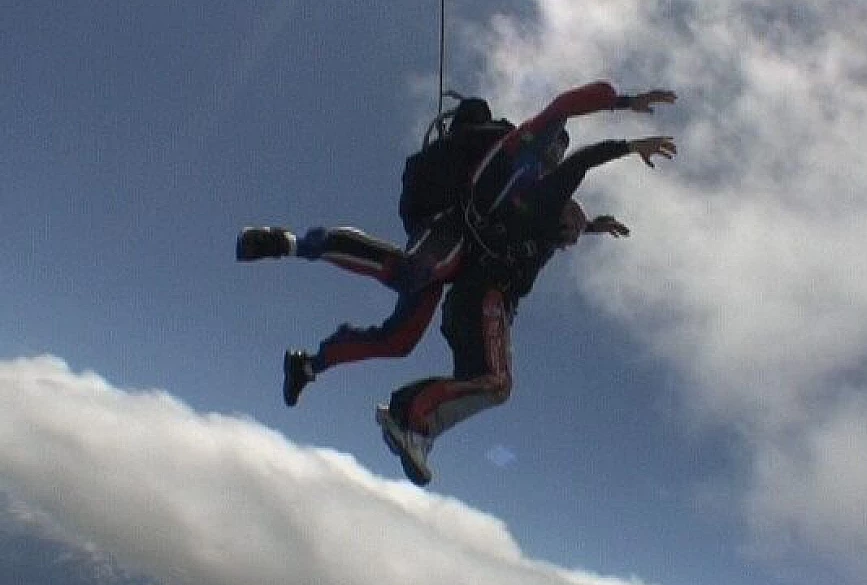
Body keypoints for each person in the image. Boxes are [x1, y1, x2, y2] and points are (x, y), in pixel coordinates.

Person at [237, 81, 676, 410]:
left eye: (558, 152)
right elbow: (564, 107)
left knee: (401, 339)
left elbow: (540, 217)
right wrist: (624, 104)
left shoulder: (514, 171)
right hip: (449, 229)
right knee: (419, 270)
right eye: (555, 147)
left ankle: (309, 365)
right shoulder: (511, 145)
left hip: (451, 242)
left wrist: (594, 225)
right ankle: (290, 242)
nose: (555, 157)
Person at [376, 133, 677, 486]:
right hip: (487, 298)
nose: (569, 242)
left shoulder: (539, 221)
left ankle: (407, 417)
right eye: (571, 232)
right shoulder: (547, 197)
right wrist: (629, 147)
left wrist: (595, 226)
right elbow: (581, 162)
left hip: (470, 301)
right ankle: (413, 418)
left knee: (475, 382)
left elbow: (558, 224)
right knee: (495, 384)